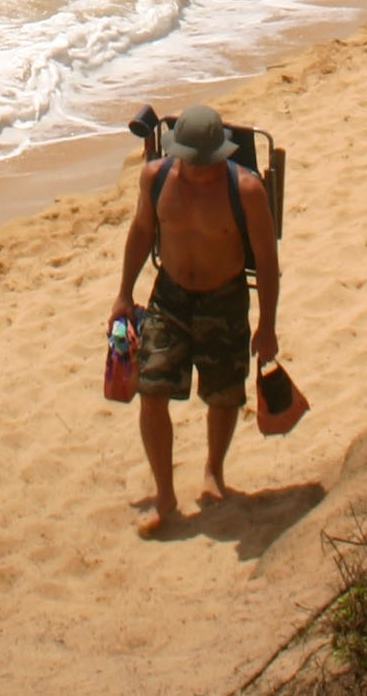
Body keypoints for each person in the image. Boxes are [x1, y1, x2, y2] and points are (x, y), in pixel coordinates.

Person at [111, 104, 279, 537]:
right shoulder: (156, 179)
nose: (197, 168)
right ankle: (164, 494)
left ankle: (213, 472)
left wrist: (268, 327)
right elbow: (141, 233)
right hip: (170, 297)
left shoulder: (247, 191)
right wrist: (124, 294)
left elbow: (266, 260)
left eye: (205, 161)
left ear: (221, 156)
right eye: (189, 159)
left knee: (224, 396)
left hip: (225, 299)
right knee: (151, 390)